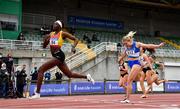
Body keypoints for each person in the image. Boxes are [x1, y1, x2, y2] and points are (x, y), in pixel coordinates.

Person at [30, 20, 95, 99]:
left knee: (41, 70)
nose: (54, 24)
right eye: (53, 23)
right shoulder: (51, 34)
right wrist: (46, 40)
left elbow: (76, 39)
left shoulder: (62, 33)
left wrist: (73, 47)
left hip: (59, 56)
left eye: (56, 24)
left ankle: (37, 93)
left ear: (60, 26)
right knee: (69, 74)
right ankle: (87, 77)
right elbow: (44, 46)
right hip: (56, 56)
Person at [119, 31, 164, 103]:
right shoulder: (126, 47)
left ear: (129, 41)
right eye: (124, 44)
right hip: (130, 63)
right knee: (131, 81)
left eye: (126, 43)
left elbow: (148, 45)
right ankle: (127, 97)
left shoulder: (137, 44)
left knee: (129, 80)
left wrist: (158, 46)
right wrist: (120, 59)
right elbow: (124, 54)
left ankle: (127, 98)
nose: (125, 45)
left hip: (136, 63)